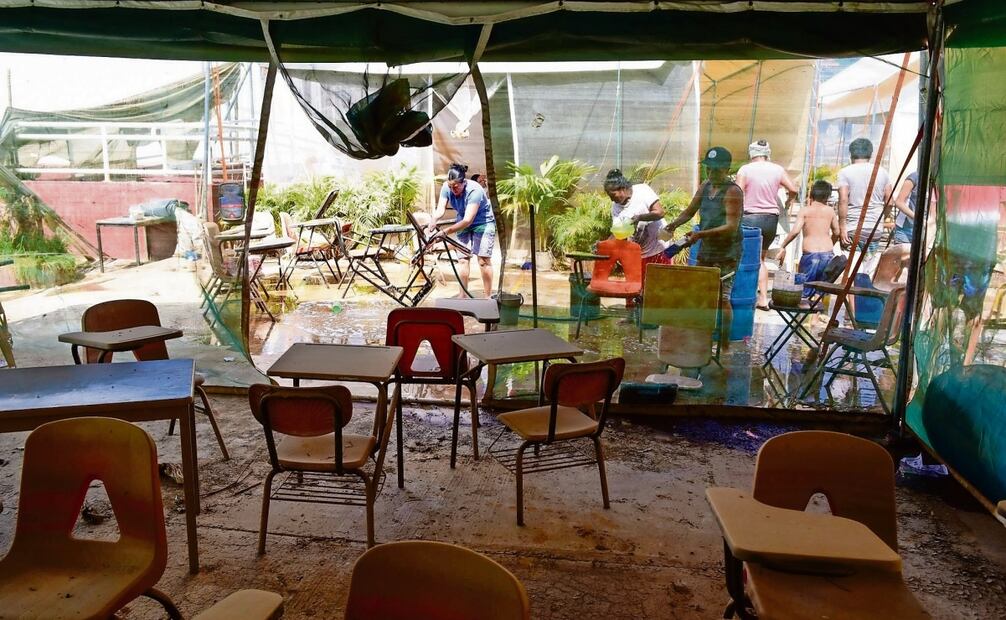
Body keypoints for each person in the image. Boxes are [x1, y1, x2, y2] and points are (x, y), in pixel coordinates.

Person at [665, 146, 743, 353]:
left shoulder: (733, 191)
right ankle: (701, 337)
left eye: (716, 170)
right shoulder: (705, 186)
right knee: (699, 293)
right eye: (708, 169)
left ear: (727, 169)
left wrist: (700, 235)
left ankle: (725, 344)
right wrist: (673, 224)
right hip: (707, 249)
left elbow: (731, 226)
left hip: (727, 253)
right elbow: (690, 211)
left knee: (722, 299)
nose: (711, 173)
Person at [736, 139, 799, 310]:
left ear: (751, 153)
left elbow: (737, 191)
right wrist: (788, 203)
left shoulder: (745, 169)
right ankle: (763, 298)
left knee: (745, 258)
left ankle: (745, 295)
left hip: (750, 217)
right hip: (770, 219)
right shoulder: (777, 169)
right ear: (767, 153)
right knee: (761, 259)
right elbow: (793, 189)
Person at [427, 163, 496, 298]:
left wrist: (446, 232)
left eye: (456, 187)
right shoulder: (447, 187)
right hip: (462, 220)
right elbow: (440, 209)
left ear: (463, 182)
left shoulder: (474, 190)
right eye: (450, 186)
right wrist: (433, 220)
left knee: (483, 260)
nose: (453, 190)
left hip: (483, 222)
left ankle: (488, 297)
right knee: (463, 259)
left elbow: (467, 221)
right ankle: (462, 295)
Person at [602, 168, 668, 290]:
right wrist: (604, 246)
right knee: (635, 292)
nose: (611, 199)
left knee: (657, 291)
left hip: (659, 249)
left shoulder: (642, 190)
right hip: (638, 254)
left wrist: (639, 218)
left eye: (613, 195)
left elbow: (660, 212)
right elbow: (619, 234)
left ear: (622, 189)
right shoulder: (615, 208)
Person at [774, 180, 841, 297]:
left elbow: (795, 231)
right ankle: (817, 314)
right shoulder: (830, 211)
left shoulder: (805, 211)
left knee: (804, 290)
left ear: (811, 195)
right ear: (827, 196)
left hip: (810, 255)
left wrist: (783, 245)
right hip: (827, 254)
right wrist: (831, 243)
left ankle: (805, 313)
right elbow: (837, 232)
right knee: (821, 291)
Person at [837, 138, 893, 272]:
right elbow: (890, 201)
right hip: (874, 230)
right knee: (866, 273)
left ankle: (852, 293)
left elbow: (843, 200)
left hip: (852, 228)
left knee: (851, 273)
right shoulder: (882, 172)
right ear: (870, 154)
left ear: (851, 154)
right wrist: (881, 219)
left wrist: (842, 225)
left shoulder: (845, 172)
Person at [892, 170, 918, 245]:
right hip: (905, 230)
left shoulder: (936, 180)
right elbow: (899, 202)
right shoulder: (914, 177)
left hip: (926, 230)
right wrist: (918, 218)